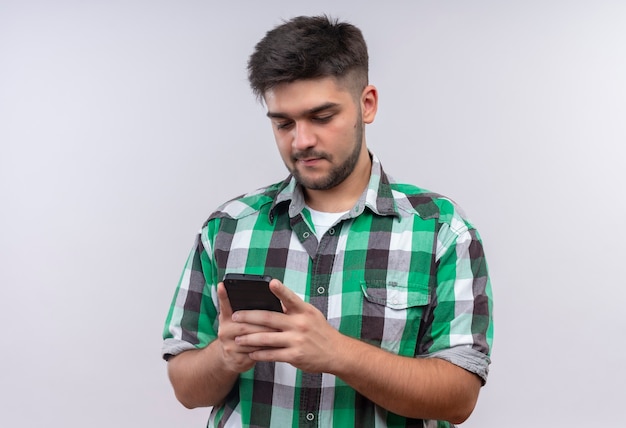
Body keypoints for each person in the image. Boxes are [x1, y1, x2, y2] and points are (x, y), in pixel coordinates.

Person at [162, 15, 493, 427]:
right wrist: (224, 356)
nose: (301, 141)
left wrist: (337, 353)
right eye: (283, 123)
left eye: (321, 117)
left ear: (366, 104)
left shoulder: (441, 230)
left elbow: (458, 398)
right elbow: (185, 388)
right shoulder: (227, 227)